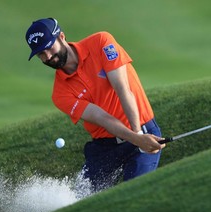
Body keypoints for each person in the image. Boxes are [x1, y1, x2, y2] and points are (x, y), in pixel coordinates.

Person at [25, 18, 166, 192]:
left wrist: (138, 135)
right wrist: (136, 138)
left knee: (134, 193)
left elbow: (123, 90)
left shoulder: (101, 42)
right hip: (105, 147)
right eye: (40, 54)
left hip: (142, 129)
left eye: (49, 47)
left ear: (61, 37)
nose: (48, 57)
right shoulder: (60, 94)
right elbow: (102, 118)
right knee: (81, 199)